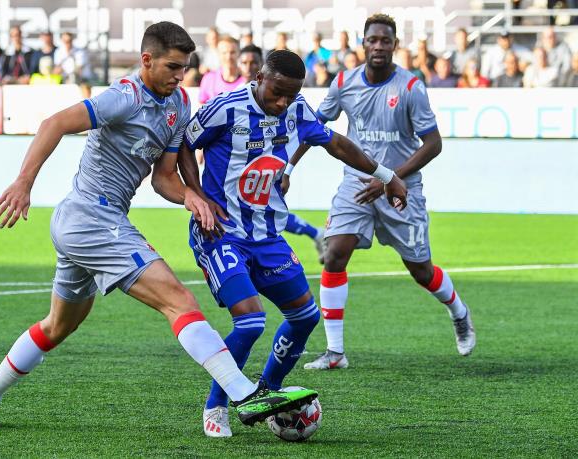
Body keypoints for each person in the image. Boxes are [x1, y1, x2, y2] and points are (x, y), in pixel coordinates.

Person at [0, 21, 317, 428]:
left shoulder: (178, 104)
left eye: (185, 68)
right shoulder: (123, 97)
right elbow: (53, 124)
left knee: (57, 326)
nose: (180, 76)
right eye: (172, 67)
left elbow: (163, 178)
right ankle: (243, 394)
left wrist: (192, 197)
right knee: (179, 300)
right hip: (91, 217)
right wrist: (24, 183)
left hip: (92, 223)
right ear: (147, 60)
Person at [178, 49, 408, 437]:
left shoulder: (297, 110)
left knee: (305, 317)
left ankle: (266, 392)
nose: (283, 102)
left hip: (267, 234)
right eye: (277, 93)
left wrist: (387, 175)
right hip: (221, 233)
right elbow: (186, 143)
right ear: (259, 78)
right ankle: (216, 405)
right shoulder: (225, 109)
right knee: (250, 322)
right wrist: (198, 196)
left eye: (291, 94)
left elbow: (337, 144)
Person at [288, 14, 475, 371]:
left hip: (401, 189)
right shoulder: (343, 82)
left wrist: (391, 178)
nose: (378, 46)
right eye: (372, 40)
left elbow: (433, 143)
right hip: (357, 185)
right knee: (334, 253)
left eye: (385, 41)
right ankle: (335, 353)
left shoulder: (411, 87)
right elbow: (314, 127)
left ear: (394, 45)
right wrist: (288, 168)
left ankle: (458, 311)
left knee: (421, 271)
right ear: (363, 44)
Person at [238, 45, 327, 262]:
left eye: (254, 62)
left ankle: (314, 234)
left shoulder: (283, 99)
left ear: (261, 67)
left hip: (264, 169)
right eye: (245, 62)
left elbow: (313, 134)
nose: (249, 67)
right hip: (234, 169)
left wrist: (287, 170)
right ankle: (315, 234)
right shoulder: (229, 94)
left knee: (265, 211)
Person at [198, 35, 246, 104]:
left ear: (239, 53)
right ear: (218, 54)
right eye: (224, 53)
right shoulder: (208, 78)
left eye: (232, 52)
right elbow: (202, 106)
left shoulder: (247, 80)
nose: (228, 57)